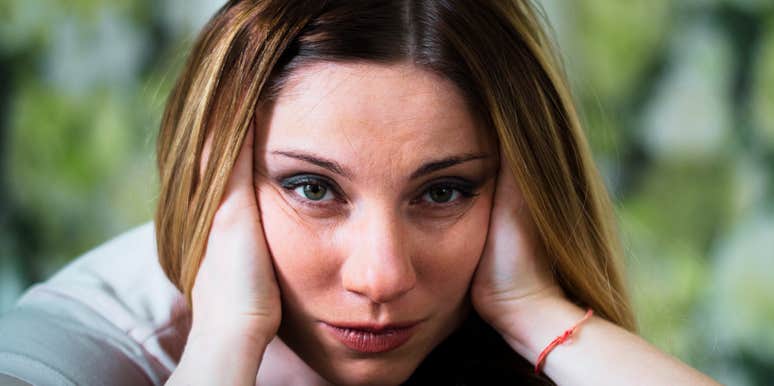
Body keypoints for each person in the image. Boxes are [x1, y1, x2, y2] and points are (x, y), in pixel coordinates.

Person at [0, 1, 722, 385]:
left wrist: (537, 316)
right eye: (312, 188)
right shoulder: (69, 351)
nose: (382, 277)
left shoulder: (490, 318)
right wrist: (224, 346)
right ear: (211, 173)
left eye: (443, 192)